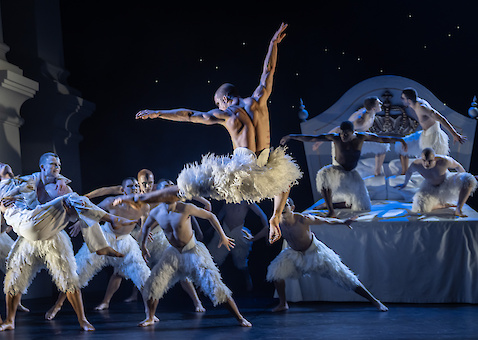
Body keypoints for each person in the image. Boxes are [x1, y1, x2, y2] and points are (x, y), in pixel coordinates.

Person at [135, 23, 302, 244]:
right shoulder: (259, 99)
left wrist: (158, 113)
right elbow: (268, 70)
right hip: (265, 167)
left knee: (191, 183)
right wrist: (273, 44)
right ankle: (275, 217)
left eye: (217, 103)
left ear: (224, 99)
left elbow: (190, 115)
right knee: (283, 180)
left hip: (242, 171)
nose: (218, 107)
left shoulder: (228, 114)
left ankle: (141, 197)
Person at [44, 177, 153, 320]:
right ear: (123, 190)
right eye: (131, 186)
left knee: (143, 275)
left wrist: (143, 241)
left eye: (137, 187)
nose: (134, 189)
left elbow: (143, 224)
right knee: (77, 271)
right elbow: (93, 212)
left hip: (125, 241)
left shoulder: (144, 206)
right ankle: (57, 305)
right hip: (105, 237)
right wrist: (79, 222)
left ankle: (149, 314)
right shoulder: (111, 202)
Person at [139, 199, 252, 327]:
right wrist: (143, 244)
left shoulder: (185, 208)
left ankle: (240, 318)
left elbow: (210, 216)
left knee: (215, 286)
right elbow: (146, 226)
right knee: (153, 285)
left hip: (193, 250)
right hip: (174, 253)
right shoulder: (156, 212)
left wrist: (223, 235)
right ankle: (150, 317)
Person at [266, 198, 388, 312]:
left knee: (346, 277)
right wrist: (253, 238)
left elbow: (325, 220)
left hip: (315, 252)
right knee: (276, 272)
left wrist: (342, 222)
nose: (282, 208)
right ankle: (283, 303)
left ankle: (374, 301)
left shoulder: (303, 219)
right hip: (294, 254)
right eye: (280, 206)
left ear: (292, 208)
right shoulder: (277, 221)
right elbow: (266, 229)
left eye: (285, 205)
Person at [281, 121, 407, 217]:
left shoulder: (361, 137)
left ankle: (328, 205)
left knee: (362, 207)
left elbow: (382, 139)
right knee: (322, 175)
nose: (343, 136)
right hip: (337, 170)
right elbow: (312, 138)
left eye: (346, 134)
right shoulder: (335, 137)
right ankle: (330, 210)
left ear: (353, 132)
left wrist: (400, 140)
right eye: (341, 133)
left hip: (351, 174)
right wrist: (291, 136)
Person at [396, 87, 466, 174]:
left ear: (409, 100)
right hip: (424, 134)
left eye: (403, 98)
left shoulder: (422, 107)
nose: (401, 100)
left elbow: (440, 118)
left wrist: (454, 134)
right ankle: (404, 173)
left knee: (435, 165)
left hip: (433, 137)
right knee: (400, 145)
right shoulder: (413, 104)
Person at [314, 97, 388, 176]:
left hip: (357, 138)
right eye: (379, 104)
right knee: (341, 167)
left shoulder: (370, 112)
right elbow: (338, 129)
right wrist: (320, 141)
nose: (381, 104)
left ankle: (377, 172)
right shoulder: (360, 120)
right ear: (373, 108)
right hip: (346, 142)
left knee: (383, 146)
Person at [394, 148, 477, 217]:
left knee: (468, 179)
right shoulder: (416, 164)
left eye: (429, 161)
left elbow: (458, 166)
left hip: (447, 182)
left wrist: (464, 176)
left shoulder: (444, 161)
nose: (426, 164)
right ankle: (443, 205)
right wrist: (405, 183)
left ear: (435, 158)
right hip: (431, 188)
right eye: (424, 160)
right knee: (420, 207)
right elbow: (409, 172)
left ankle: (458, 209)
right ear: (421, 158)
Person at [208, 201, 269, 291]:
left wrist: (267, 232)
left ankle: (247, 279)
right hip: (225, 232)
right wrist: (210, 228)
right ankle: (210, 283)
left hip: (238, 232)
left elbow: (261, 214)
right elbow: (220, 215)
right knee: (214, 259)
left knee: (241, 262)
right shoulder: (227, 200)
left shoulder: (247, 201)